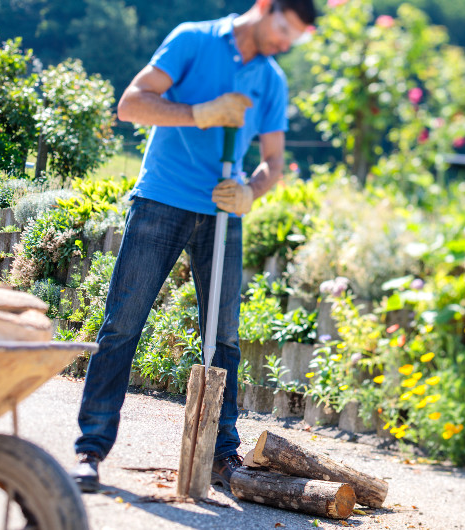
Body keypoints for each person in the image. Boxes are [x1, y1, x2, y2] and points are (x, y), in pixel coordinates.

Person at [70, 0, 317, 493]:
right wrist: (199, 112)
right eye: (284, 30)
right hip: (161, 199)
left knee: (223, 338)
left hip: (223, 212)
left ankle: (222, 455)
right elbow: (132, 103)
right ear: (265, 7)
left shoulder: (270, 78)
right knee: (122, 324)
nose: (284, 45)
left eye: (295, 39)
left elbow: (273, 161)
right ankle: (90, 449)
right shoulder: (193, 39)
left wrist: (251, 190)